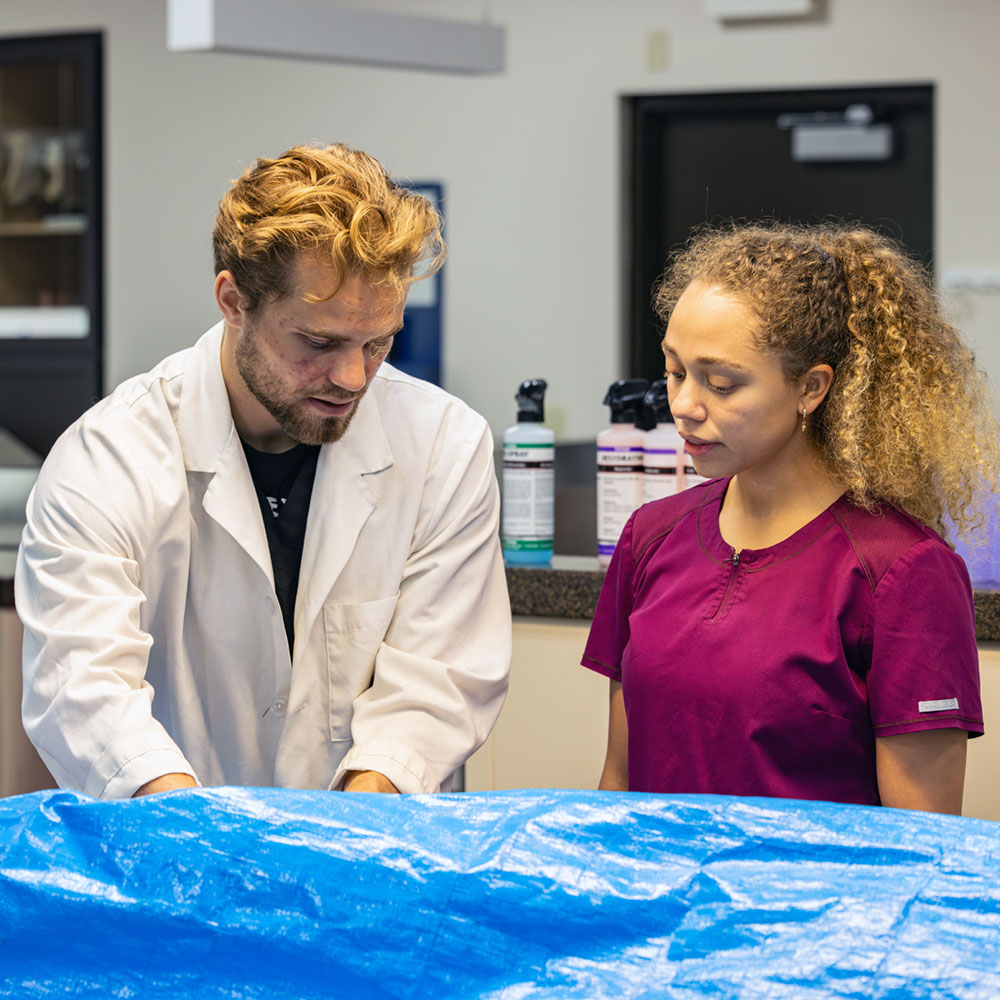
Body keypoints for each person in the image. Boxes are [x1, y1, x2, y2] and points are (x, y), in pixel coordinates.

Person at [16, 143, 511, 799]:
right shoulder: (109, 457)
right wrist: (214, 850)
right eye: (319, 342)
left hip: (370, 856)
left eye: (378, 342)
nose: (354, 377)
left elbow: (436, 686)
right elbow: (82, 687)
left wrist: (339, 849)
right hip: (177, 853)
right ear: (233, 300)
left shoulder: (443, 444)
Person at [583, 221, 999, 813]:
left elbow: (922, 843)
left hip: (818, 905)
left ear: (811, 387)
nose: (684, 406)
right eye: (675, 371)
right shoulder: (651, 537)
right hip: (658, 901)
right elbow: (617, 786)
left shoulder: (903, 573)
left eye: (722, 384)